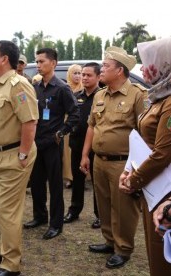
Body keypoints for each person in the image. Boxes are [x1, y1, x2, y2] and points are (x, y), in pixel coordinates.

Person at [80, 46, 147, 269]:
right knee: (104, 204)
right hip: (99, 160)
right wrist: (85, 155)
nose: (101, 70)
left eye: (106, 66)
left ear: (119, 71)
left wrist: (137, 167)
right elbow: (92, 126)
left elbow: (145, 132)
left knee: (124, 208)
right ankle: (110, 241)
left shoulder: (137, 95)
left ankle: (124, 248)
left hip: (123, 162)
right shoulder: (100, 94)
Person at [0, 40, 38, 276]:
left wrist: (23, 154)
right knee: (2, 209)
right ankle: (6, 249)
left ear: (4, 59)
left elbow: (30, 121)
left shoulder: (18, 85)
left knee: (8, 211)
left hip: (13, 156)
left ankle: (11, 264)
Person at [118, 37, 171, 275]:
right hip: (151, 185)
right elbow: (141, 142)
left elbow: (162, 153)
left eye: (149, 62)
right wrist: (129, 171)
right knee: (154, 248)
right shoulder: (158, 96)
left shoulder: (169, 101)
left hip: (164, 190)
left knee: (162, 254)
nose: (143, 68)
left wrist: (133, 180)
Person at [24, 48, 79, 240]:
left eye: (41, 62)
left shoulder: (62, 88)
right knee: (37, 183)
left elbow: (75, 115)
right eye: (36, 62)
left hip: (52, 144)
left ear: (53, 63)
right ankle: (39, 216)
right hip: (36, 143)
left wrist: (61, 132)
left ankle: (56, 224)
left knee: (55, 186)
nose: (38, 65)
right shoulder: (36, 87)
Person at [64, 62, 101, 226]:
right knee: (77, 179)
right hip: (77, 143)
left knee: (97, 183)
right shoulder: (77, 95)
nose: (84, 78)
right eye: (83, 75)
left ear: (98, 77)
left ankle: (99, 214)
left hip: (96, 146)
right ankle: (74, 210)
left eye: (88, 75)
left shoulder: (102, 96)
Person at [62, 64, 83, 188]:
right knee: (68, 152)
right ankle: (69, 177)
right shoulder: (65, 88)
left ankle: (82, 176)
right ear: (69, 74)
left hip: (81, 124)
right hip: (68, 123)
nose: (78, 76)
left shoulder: (85, 88)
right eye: (74, 73)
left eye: (79, 73)